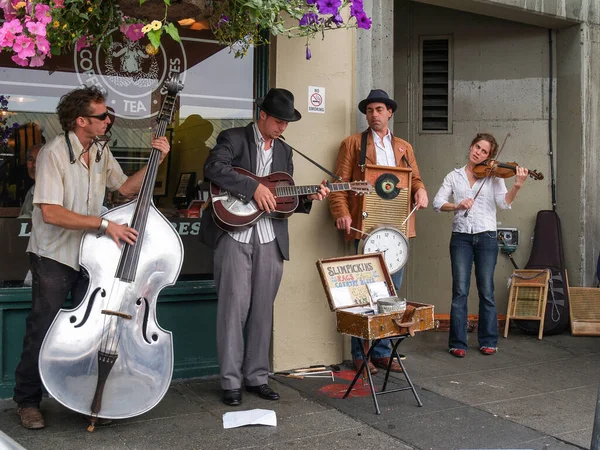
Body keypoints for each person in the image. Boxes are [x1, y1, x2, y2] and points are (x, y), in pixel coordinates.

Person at [13, 86, 170, 429]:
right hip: (54, 255)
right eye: (102, 116)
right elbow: (52, 213)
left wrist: (156, 160)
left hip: (90, 258)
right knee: (42, 328)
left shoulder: (99, 149)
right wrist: (104, 225)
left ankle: (80, 398)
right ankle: (26, 400)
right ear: (81, 121)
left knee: (88, 333)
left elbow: (125, 188)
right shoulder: (53, 153)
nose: (108, 120)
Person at [200, 88, 329, 406]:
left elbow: (281, 199)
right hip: (234, 236)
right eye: (278, 120)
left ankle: (257, 377)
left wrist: (306, 198)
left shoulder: (285, 152)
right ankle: (230, 381)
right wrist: (253, 187)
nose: (283, 127)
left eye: (287, 122)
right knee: (232, 310)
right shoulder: (233, 137)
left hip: (271, 238)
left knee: (262, 311)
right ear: (262, 115)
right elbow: (214, 169)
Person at [329, 89, 428, 375]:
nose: (374, 115)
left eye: (379, 110)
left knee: (390, 293)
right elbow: (340, 184)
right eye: (370, 110)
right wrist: (342, 213)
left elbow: (416, 180)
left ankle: (383, 352)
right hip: (365, 228)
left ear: (390, 113)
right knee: (362, 294)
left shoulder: (404, 147)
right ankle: (360, 354)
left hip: (395, 229)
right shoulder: (352, 144)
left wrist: (420, 192)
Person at [432, 133, 528, 358]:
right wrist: (457, 205)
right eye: (477, 147)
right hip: (461, 238)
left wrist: (518, 186)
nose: (479, 153)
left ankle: (488, 340)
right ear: (471, 145)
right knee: (460, 290)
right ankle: (457, 343)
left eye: (484, 152)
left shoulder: (494, 177)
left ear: (489, 156)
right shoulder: (454, 176)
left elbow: (503, 204)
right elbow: (437, 203)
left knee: (486, 290)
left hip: (486, 238)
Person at [18, 143, 43, 219]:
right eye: (31, 160)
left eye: (40, 159)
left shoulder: (55, 190)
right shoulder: (31, 191)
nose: (34, 164)